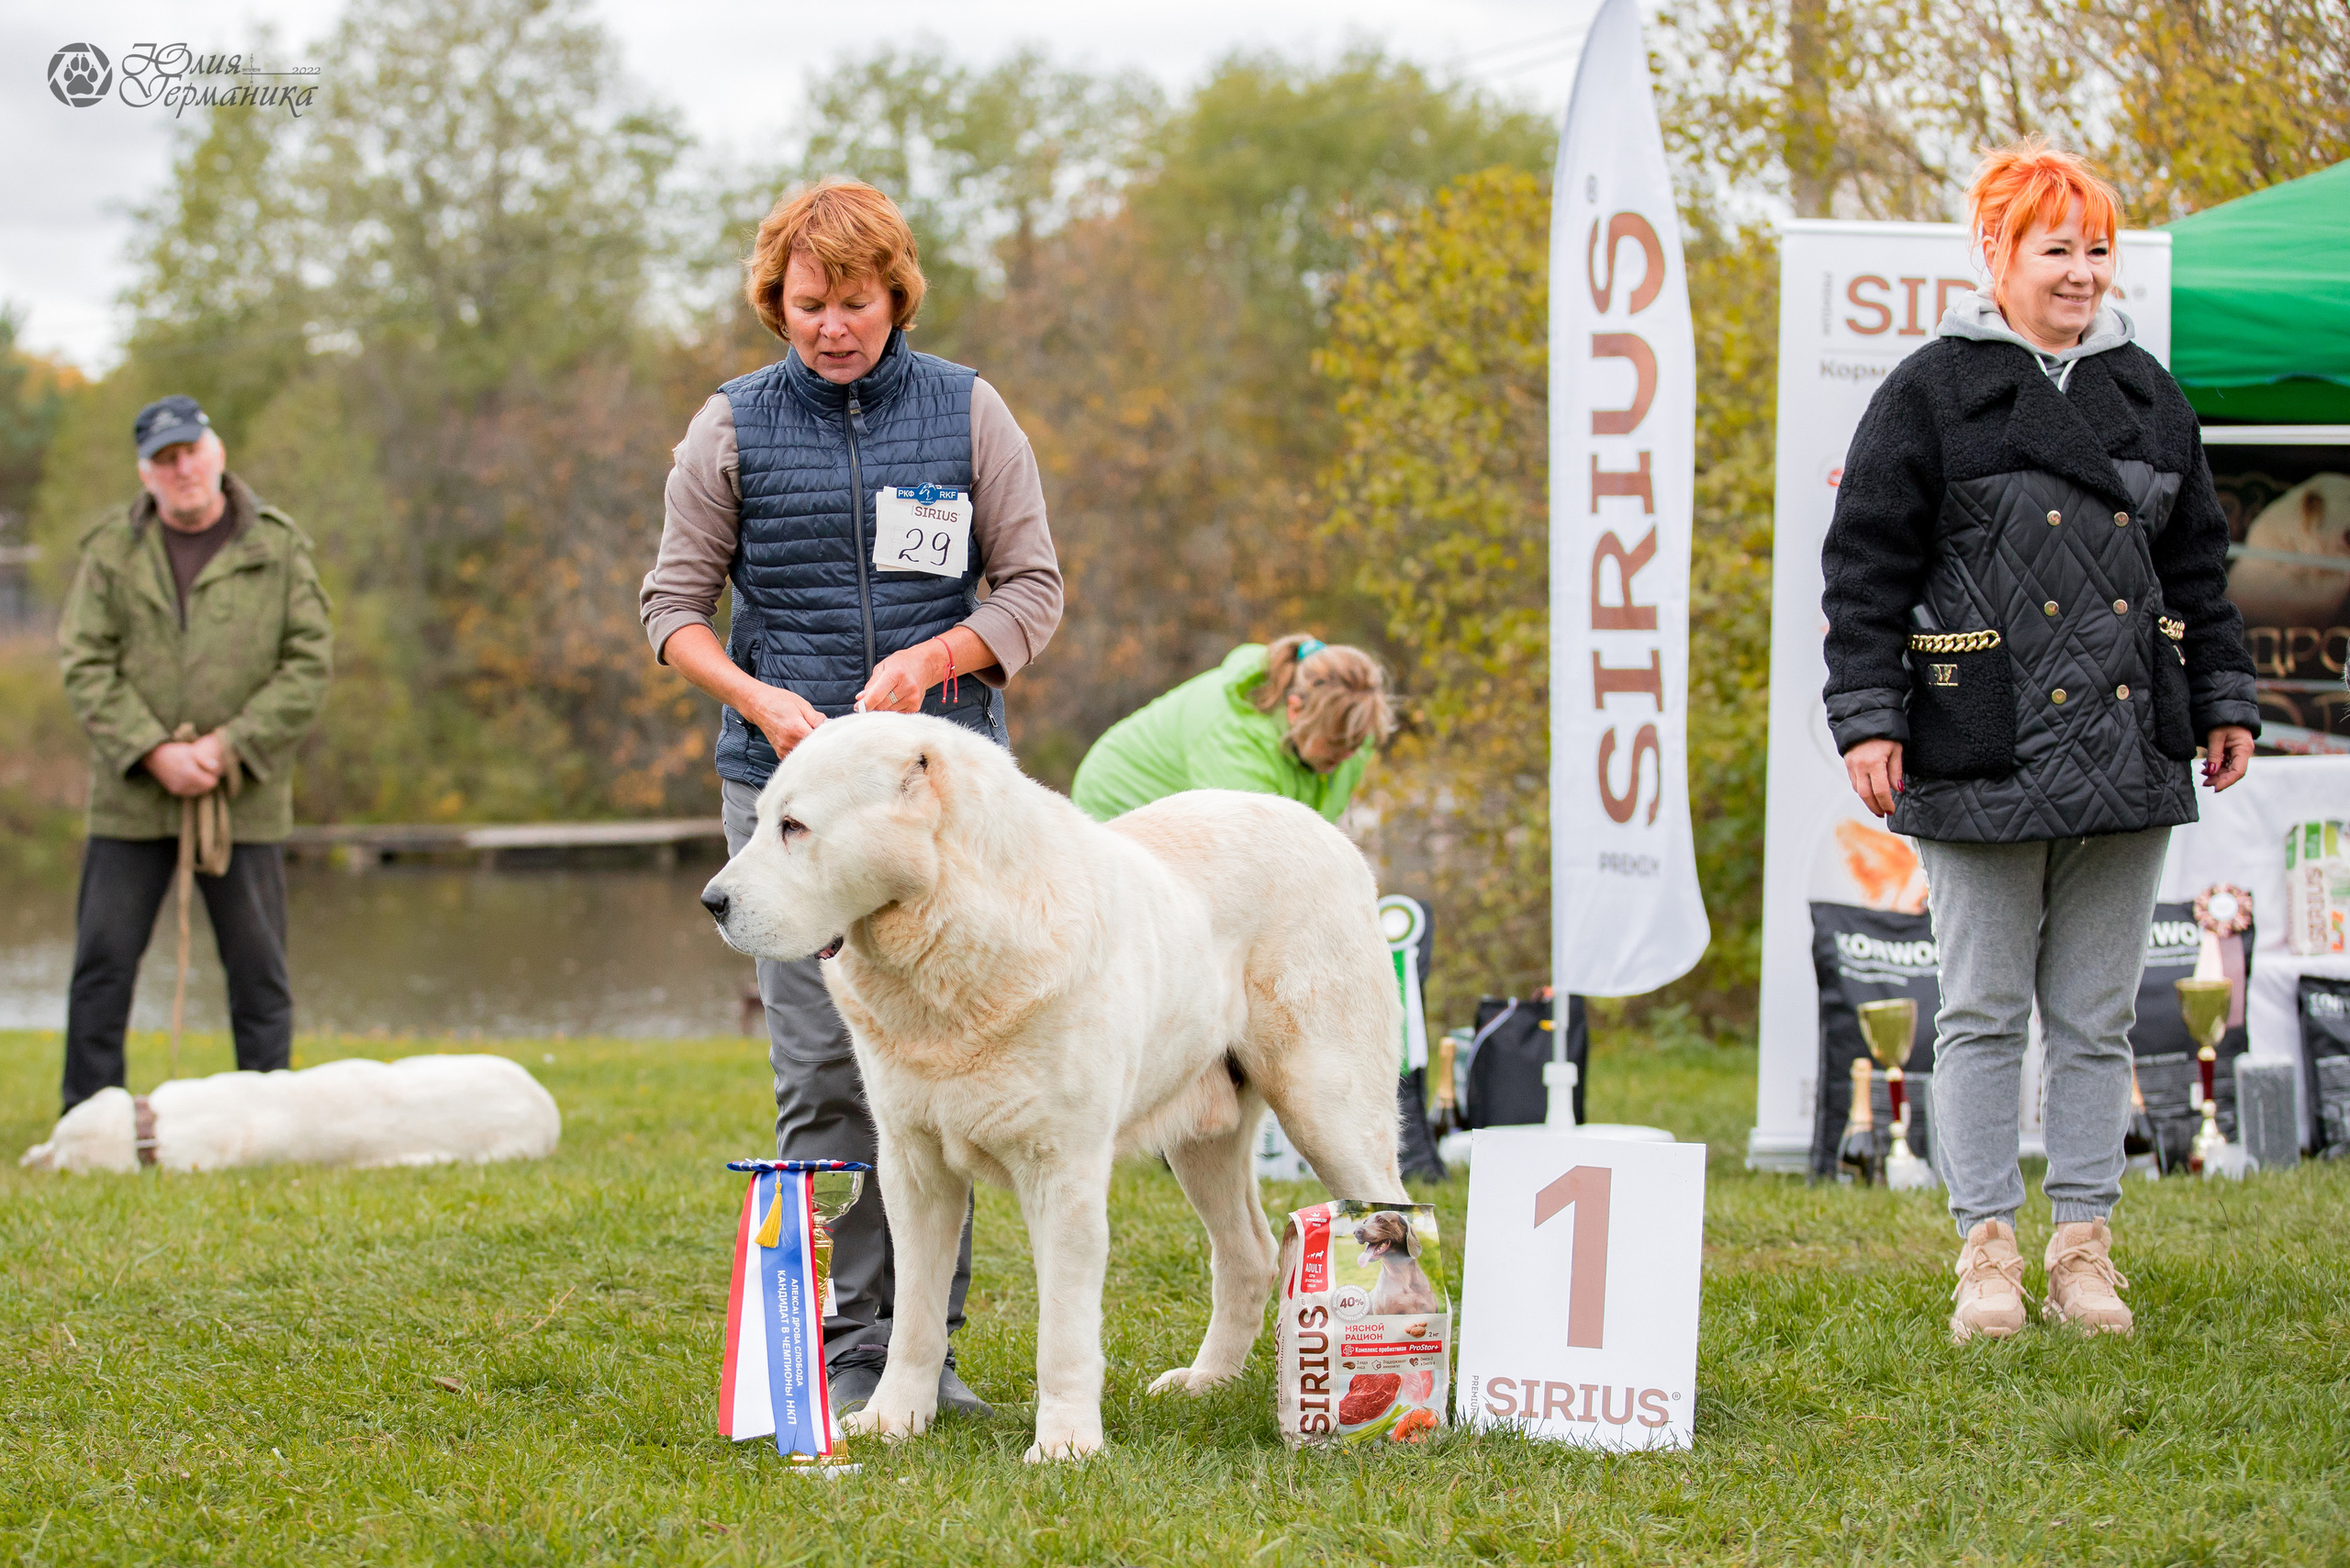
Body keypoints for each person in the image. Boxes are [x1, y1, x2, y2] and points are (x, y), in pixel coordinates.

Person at [639, 178, 1063, 1417]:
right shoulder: (726, 429)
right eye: (810, 304)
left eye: (858, 302)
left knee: (952, 1067)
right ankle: (837, 1345)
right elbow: (673, 612)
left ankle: (923, 1351)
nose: (834, 326)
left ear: (896, 297)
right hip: (785, 798)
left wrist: (937, 662)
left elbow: (1031, 591)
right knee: (828, 1067)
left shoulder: (972, 412)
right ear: (780, 301)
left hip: (945, 802)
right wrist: (763, 701)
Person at [1821, 140, 2258, 1342]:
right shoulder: (1930, 389)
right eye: (2055, 248)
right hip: (1979, 743)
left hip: (2129, 747)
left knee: (2096, 1017)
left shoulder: (2147, 393)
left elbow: (2198, 565)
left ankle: (2082, 1251)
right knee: (1979, 1012)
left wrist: (2222, 694)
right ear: (1996, 254)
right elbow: (1865, 570)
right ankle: (1987, 1255)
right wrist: (1868, 719)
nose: (2080, 272)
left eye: (2098, 250)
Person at [56, 396, 334, 1114]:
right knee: (102, 967)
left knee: (258, 974)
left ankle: (267, 1118)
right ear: (145, 473)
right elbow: (85, 663)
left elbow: (307, 665)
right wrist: (152, 750)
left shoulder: (278, 547)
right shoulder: (109, 552)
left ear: (217, 451)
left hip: (244, 798)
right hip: (130, 798)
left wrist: (227, 747)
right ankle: (89, 1120)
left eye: (191, 452)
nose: (183, 469)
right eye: (165, 459)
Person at [1069, 636, 1394, 824]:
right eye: (1337, 743)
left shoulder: (1353, 737)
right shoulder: (1232, 741)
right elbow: (1256, 864)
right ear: (1295, 710)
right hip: (1116, 807)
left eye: (1359, 740)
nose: (1351, 753)